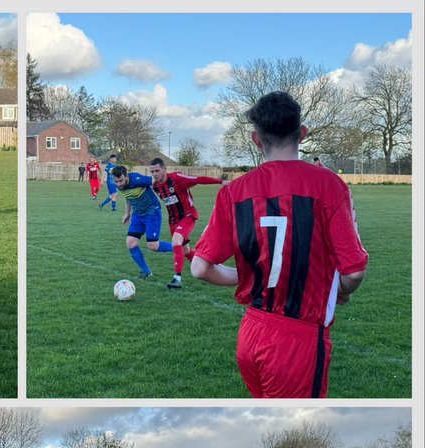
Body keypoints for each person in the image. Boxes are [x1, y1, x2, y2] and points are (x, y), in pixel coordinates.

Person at [190, 91, 368, 398]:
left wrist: (251, 276)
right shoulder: (328, 185)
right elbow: (353, 273)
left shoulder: (233, 192)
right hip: (297, 340)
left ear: (256, 139)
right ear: (302, 133)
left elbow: (199, 268)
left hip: (250, 332)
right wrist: (337, 290)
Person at [147, 157, 223, 289]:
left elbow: (199, 179)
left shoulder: (177, 178)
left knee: (176, 241)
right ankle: (209, 270)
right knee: (186, 250)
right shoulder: (156, 186)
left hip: (188, 216)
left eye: (157, 171)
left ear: (164, 169)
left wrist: (221, 181)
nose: (154, 174)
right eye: (152, 172)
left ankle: (177, 278)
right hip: (173, 221)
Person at [110, 165, 174, 279]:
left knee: (153, 246)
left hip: (152, 213)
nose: (119, 184)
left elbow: (156, 180)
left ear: (126, 176)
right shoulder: (120, 185)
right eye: (116, 181)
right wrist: (127, 213)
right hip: (138, 215)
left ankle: (180, 248)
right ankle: (146, 272)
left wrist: (167, 193)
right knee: (131, 243)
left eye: (121, 180)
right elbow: (128, 196)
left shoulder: (137, 179)